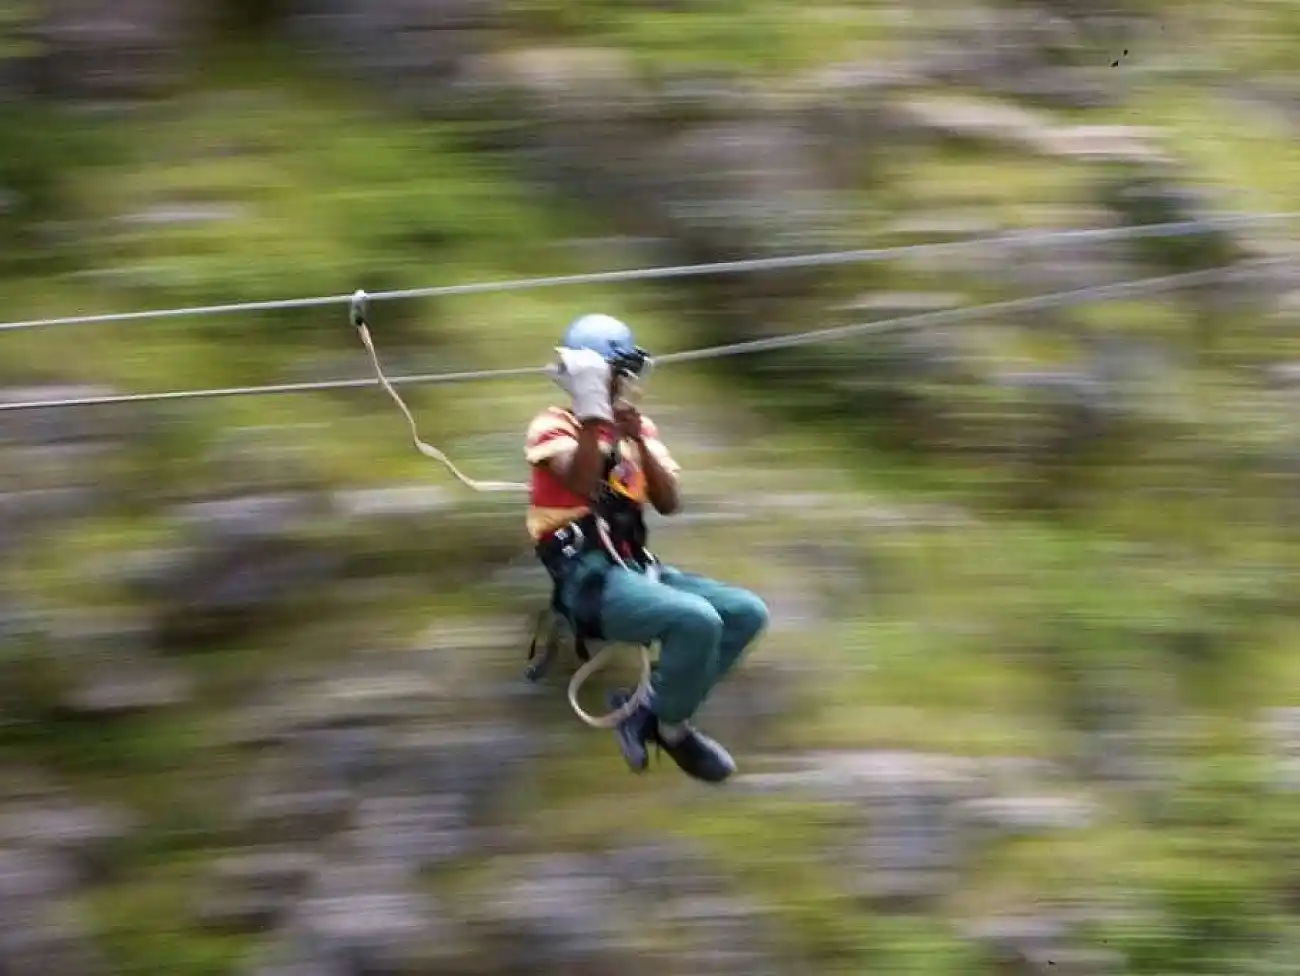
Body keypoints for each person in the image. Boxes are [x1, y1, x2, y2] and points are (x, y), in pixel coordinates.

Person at [525, 313, 769, 783]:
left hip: (635, 569)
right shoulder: (552, 426)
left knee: (745, 612)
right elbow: (578, 481)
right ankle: (671, 729)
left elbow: (669, 502)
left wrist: (634, 436)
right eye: (617, 373)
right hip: (588, 582)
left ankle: (654, 711)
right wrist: (595, 419)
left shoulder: (639, 431)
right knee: (695, 620)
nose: (626, 382)